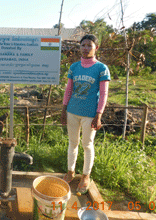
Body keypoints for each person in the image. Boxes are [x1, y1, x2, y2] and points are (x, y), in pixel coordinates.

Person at [60, 34, 110, 194]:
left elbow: (104, 94)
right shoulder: (74, 67)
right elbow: (69, 89)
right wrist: (63, 109)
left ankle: (86, 176)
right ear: (79, 47)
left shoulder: (101, 68)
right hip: (72, 111)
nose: (86, 48)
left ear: (96, 48)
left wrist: (99, 114)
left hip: (90, 114)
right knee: (72, 143)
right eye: (83, 45)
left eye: (89, 45)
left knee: (87, 145)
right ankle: (70, 171)